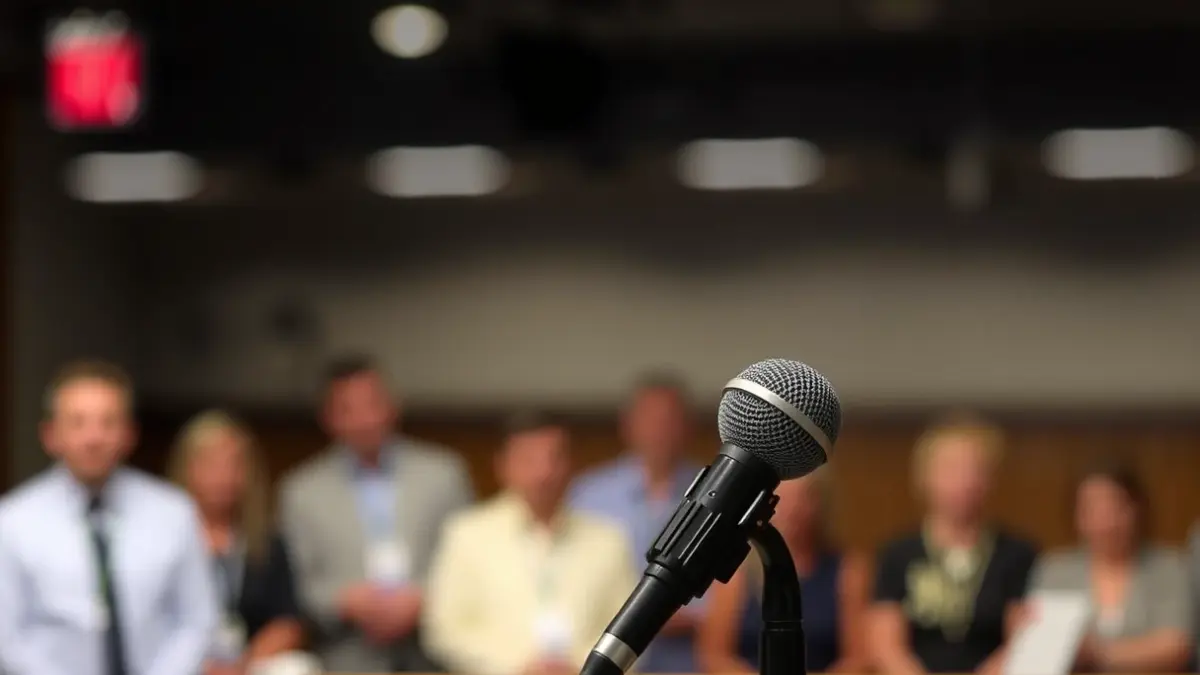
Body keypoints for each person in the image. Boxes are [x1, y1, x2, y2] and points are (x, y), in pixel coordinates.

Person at [0, 360, 218, 675]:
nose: (94, 437)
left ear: (130, 433)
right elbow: (7, 636)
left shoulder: (174, 513)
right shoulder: (13, 521)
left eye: (108, 422)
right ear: (50, 435)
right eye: (78, 422)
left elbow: (198, 620)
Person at [279, 355, 474, 673]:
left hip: (433, 654)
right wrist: (347, 601)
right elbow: (298, 582)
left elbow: (469, 560)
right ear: (328, 417)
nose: (365, 419)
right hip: (347, 657)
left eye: (373, 404)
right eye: (348, 409)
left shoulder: (443, 474)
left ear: (393, 405)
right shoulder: (301, 491)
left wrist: (423, 597)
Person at [423, 411, 637, 675]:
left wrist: (581, 666)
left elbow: (634, 629)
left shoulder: (608, 539)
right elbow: (444, 630)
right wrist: (517, 666)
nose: (544, 472)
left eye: (554, 457)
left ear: (572, 464)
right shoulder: (467, 535)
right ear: (503, 466)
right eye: (529, 460)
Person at [869, 412, 1037, 675]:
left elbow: (1023, 640)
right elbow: (886, 646)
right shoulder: (898, 554)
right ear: (925, 477)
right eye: (951, 469)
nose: (965, 482)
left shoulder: (1017, 554)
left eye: (976, 470)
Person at [569, 373, 704, 672]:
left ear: (688, 427)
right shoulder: (589, 494)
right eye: (650, 419)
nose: (660, 430)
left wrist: (686, 614)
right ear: (627, 425)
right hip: (608, 656)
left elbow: (732, 585)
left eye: (670, 420)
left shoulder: (712, 494)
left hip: (689, 661)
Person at [168, 409, 306, 669]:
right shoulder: (162, 539)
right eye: (210, 464)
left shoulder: (266, 540)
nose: (223, 476)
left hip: (249, 664)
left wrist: (243, 664)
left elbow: (287, 622)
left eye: (233, 463)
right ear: (186, 468)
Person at [696, 471, 871, 673]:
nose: (793, 509)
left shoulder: (848, 570)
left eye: (804, 498)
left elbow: (858, 659)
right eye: (782, 500)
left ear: (821, 504)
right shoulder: (737, 573)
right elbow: (714, 655)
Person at [1030, 462, 1192, 672]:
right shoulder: (1055, 569)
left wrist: (1096, 653)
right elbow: (1042, 644)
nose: (1105, 521)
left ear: (1137, 509)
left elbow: (1176, 646)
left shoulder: (1168, 566)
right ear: (1077, 516)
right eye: (1092, 509)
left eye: (1116, 506)